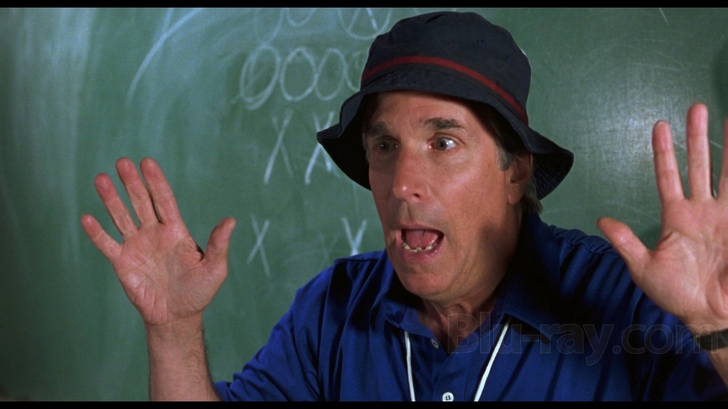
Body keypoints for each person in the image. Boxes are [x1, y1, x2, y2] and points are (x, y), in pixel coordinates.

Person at [81, 11, 728, 401]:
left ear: (515, 171)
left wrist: (715, 324)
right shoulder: (333, 308)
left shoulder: (619, 299)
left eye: (443, 143)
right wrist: (173, 329)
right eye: (384, 147)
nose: (401, 183)